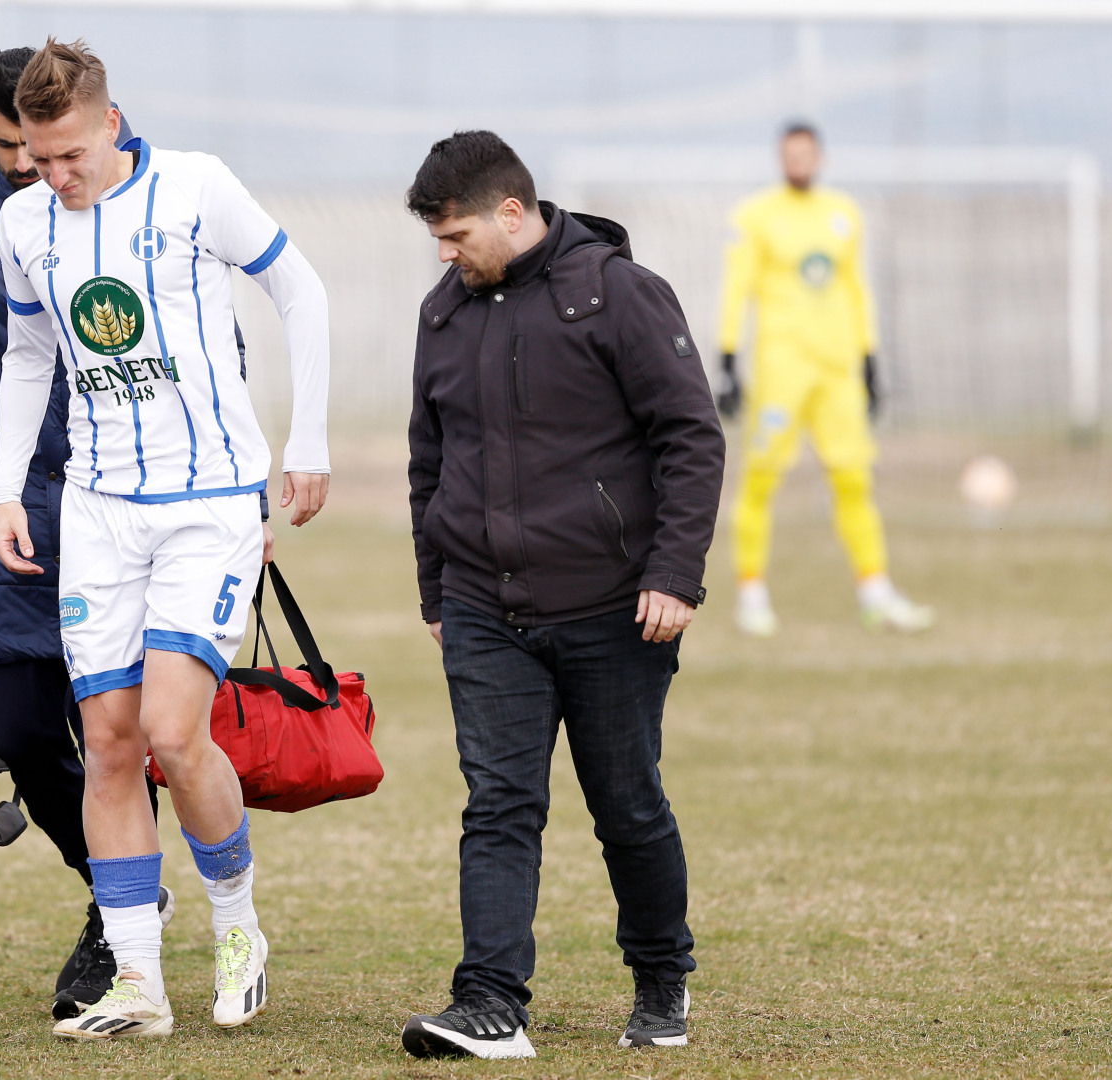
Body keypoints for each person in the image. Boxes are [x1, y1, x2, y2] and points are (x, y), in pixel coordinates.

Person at [0, 38, 332, 1040]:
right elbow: (24, 353)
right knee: (108, 742)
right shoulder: (24, 224)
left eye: (68, 158)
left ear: (111, 123)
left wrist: (304, 442)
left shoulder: (195, 190)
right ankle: (137, 982)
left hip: (208, 503)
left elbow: (300, 291)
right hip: (95, 509)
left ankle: (237, 927)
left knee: (176, 737)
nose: (53, 178)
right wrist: (8, 491)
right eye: (35, 161)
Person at [401, 131, 725, 1059]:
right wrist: (436, 590)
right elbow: (431, 463)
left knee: (627, 806)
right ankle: (490, 1003)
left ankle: (662, 977)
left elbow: (691, 438)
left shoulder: (619, 293)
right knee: (498, 805)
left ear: (514, 212)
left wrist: (673, 574)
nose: (445, 253)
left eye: (457, 233)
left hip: (615, 608)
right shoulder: (443, 315)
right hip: (479, 609)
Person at [0, 46, 173, 1021]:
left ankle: (119, 928)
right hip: (21, 515)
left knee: (122, 729)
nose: (36, 166)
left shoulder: (154, 205)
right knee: (19, 727)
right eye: (15, 146)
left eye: (48, 147)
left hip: (139, 505)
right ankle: (115, 885)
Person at [717, 121, 934, 637]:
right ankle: (751, 594)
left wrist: (869, 356)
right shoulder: (756, 216)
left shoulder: (843, 214)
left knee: (854, 478)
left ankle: (876, 594)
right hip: (781, 370)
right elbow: (736, 288)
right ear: (780, 158)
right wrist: (727, 358)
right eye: (789, 154)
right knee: (762, 478)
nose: (798, 162)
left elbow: (857, 288)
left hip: (837, 371)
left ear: (820, 157)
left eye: (805, 153)